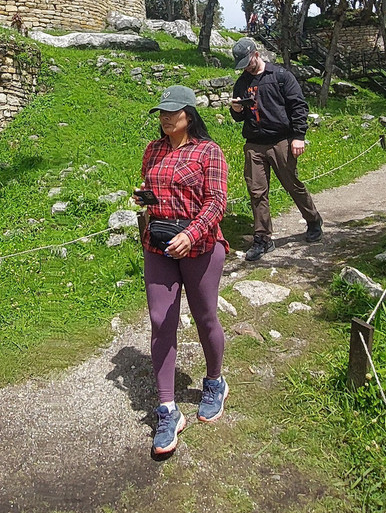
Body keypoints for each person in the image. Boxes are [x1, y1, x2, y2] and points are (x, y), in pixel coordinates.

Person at [134, 84, 230, 458]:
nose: (165, 118)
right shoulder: (153, 149)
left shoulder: (209, 151)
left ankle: (215, 382)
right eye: (162, 112)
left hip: (200, 246)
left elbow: (217, 202)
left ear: (189, 115)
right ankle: (167, 410)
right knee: (161, 320)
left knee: (205, 318)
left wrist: (191, 234)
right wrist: (144, 198)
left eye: (172, 112)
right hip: (158, 244)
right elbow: (152, 189)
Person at [228, 38, 322, 261]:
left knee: (292, 184)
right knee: (257, 191)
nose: (246, 68)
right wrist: (236, 110)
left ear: (256, 54)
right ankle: (262, 238)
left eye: (248, 63)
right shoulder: (241, 83)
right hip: (254, 144)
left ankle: (313, 220)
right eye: (242, 65)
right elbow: (239, 117)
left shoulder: (281, 76)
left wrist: (298, 137)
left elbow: (298, 106)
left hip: (281, 141)